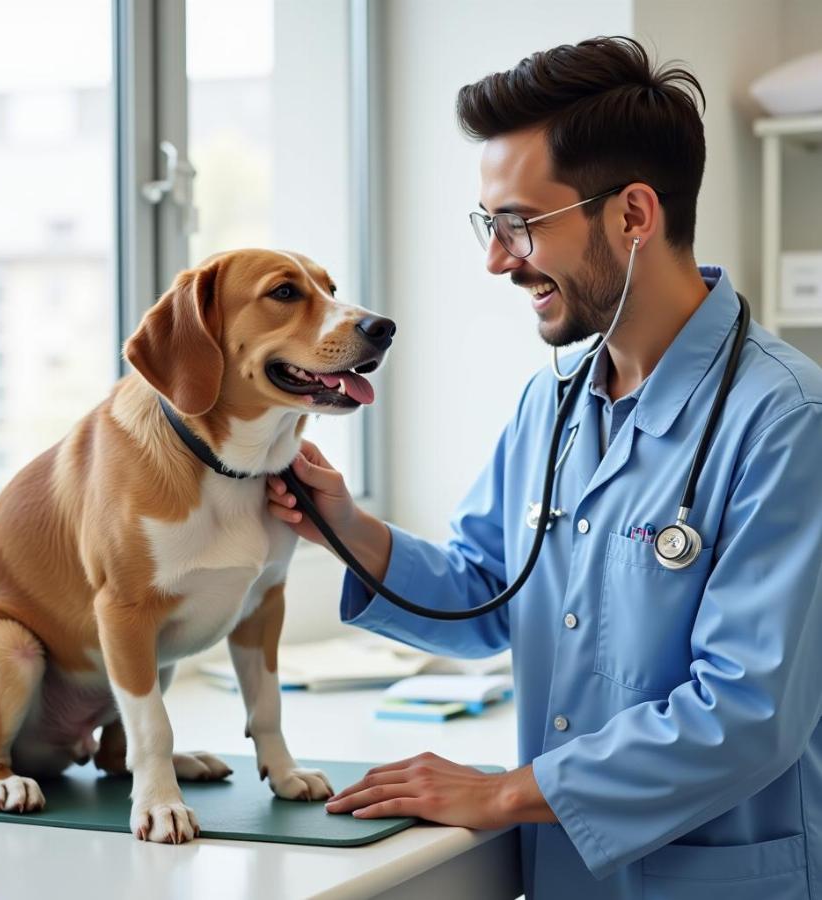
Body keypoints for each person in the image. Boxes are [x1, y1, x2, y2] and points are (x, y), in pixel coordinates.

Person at [267, 36, 822, 900]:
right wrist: (345, 526)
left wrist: (503, 792)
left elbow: (748, 714)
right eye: (490, 226)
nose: (496, 259)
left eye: (519, 225)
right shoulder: (554, 400)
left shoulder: (785, 421)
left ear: (634, 215)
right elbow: (489, 591)